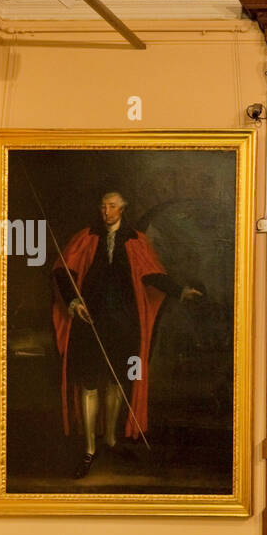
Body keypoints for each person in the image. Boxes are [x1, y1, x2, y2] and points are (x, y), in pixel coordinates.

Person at [52, 189, 202, 478]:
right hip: (88, 321)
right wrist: (73, 300)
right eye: (103, 206)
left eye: (111, 206)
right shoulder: (86, 237)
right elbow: (62, 271)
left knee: (118, 380)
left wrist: (180, 291)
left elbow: (152, 274)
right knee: (88, 382)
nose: (105, 211)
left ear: (122, 209)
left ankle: (110, 438)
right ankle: (89, 449)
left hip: (124, 322)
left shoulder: (135, 241)